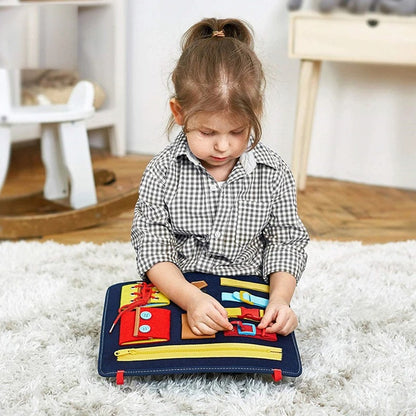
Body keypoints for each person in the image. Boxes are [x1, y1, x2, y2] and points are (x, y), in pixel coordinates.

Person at [131, 18, 309, 337]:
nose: (223, 146)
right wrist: (190, 298)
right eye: (207, 132)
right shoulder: (162, 170)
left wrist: (281, 300)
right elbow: (151, 243)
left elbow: (286, 240)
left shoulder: (274, 171)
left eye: (238, 131)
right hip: (179, 289)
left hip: (249, 288)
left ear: (256, 113)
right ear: (179, 113)